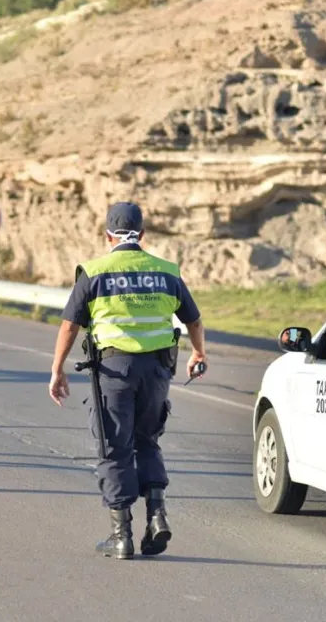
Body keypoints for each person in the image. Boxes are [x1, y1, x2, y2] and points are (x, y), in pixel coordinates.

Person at [48, 201, 207, 559]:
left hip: (114, 372)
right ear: (143, 234)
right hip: (156, 372)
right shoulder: (166, 271)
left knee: (114, 447)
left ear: (107, 236)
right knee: (147, 441)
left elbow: (70, 326)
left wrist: (57, 370)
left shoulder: (94, 271)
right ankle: (157, 515)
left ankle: (121, 536)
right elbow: (194, 321)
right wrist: (199, 354)